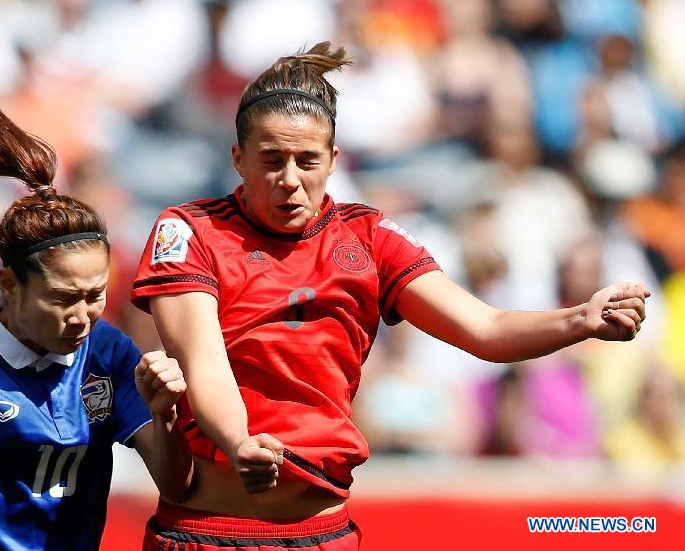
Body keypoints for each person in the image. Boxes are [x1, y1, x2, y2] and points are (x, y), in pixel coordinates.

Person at [131, 42, 650, 550]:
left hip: (323, 535)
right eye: (271, 159)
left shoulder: (370, 237)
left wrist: (580, 318)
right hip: (209, 530)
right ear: (237, 157)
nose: (289, 180)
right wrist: (237, 442)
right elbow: (203, 365)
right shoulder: (189, 231)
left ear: (333, 160)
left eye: (306, 161)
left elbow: (485, 330)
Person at [0, 73, 193, 551]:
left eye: (95, 295)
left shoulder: (108, 351)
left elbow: (177, 486)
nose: (82, 315)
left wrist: (166, 417)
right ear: (10, 285)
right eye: (62, 299)